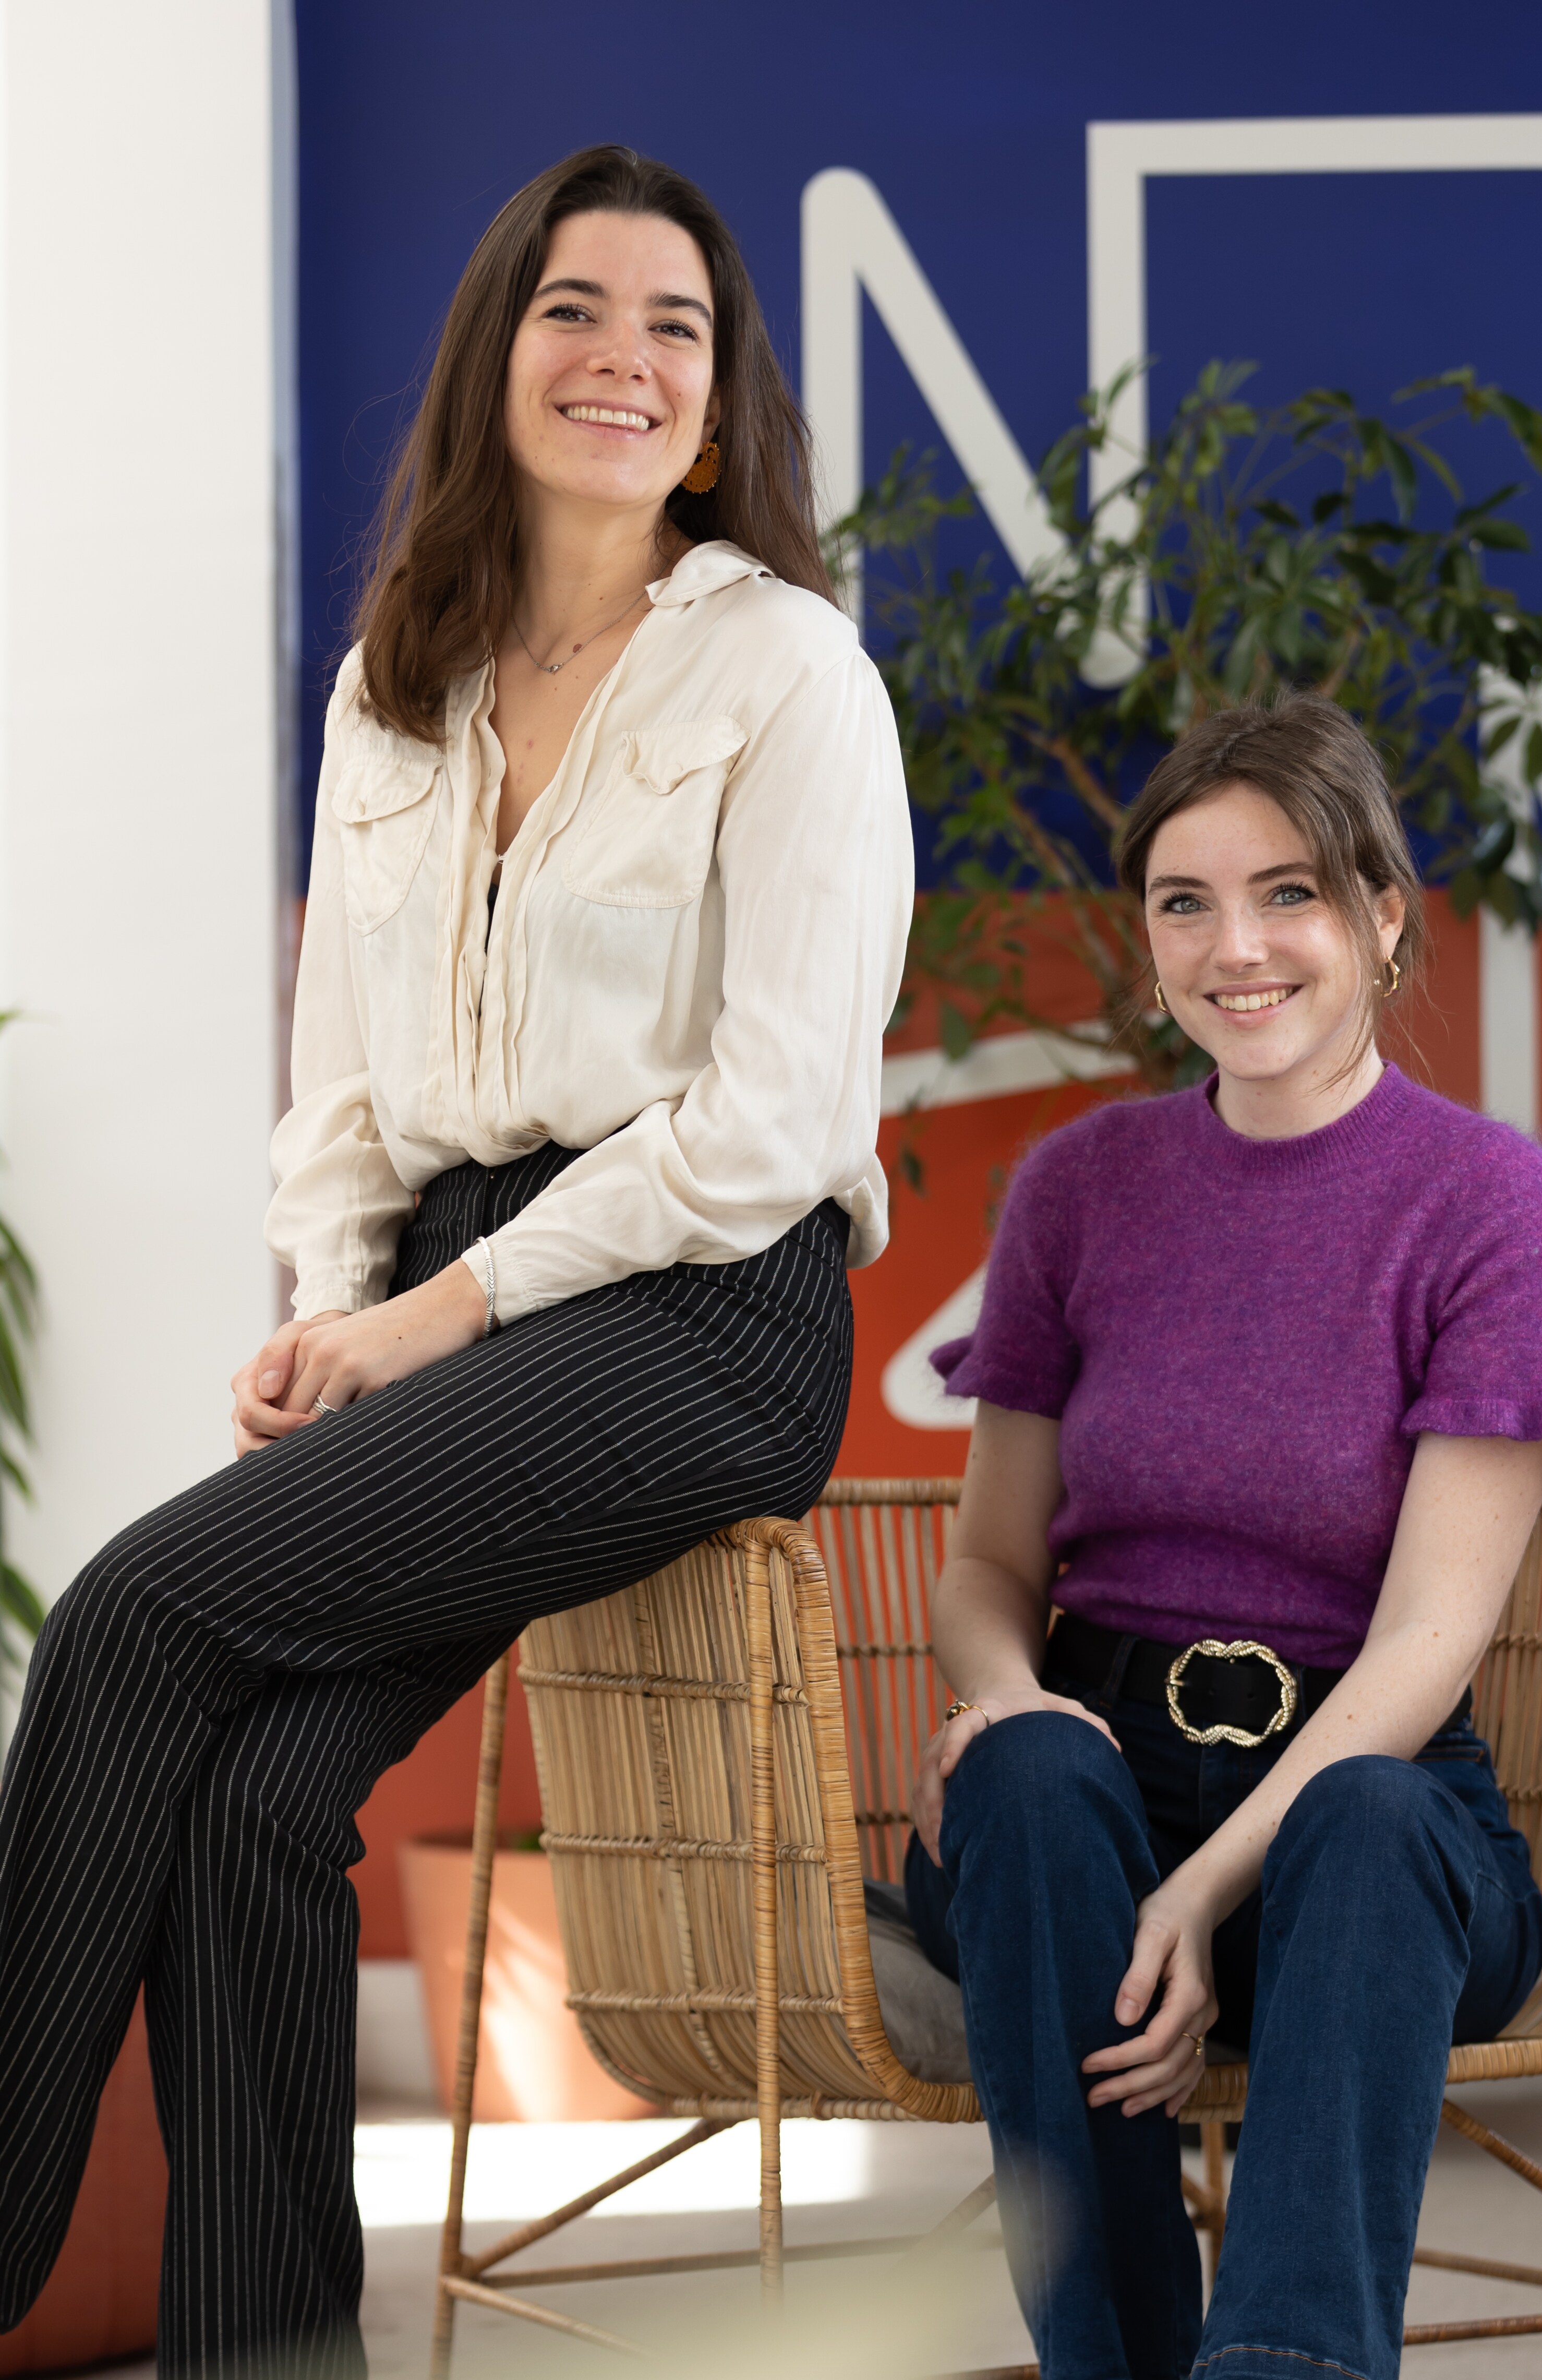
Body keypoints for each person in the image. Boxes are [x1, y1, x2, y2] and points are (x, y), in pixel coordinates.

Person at [0, 146, 910, 2375]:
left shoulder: (791, 673)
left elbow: (770, 1124)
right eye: (573, 311)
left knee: (128, 1614)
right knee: (249, 1802)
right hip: (445, 1286)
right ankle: (264, 2345)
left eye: (673, 327)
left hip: (701, 1308)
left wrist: (429, 1316)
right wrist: (332, 1305)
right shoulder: (390, 687)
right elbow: (340, 1092)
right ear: (496, 353)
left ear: (720, 402)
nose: (622, 357)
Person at [903, 693, 1542, 2380]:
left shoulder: (1493, 1205)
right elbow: (990, 1570)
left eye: (1288, 892)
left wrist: (1207, 1887)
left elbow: (1428, 1639)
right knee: (1019, 1775)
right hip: (1089, 1799)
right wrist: (1004, 1696)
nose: (1236, 946)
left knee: (1366, 1818)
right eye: (1183, 901)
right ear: (1146, 931)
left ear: (1379, 915)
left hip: (1370, 1806)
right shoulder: (1077, 1189)